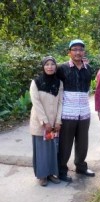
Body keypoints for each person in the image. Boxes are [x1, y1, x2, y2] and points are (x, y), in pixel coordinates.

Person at [56, 39, 95, 182]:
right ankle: (61, 170)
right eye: (75, 49)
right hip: (67, 112)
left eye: (81, 49)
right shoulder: (62, 68)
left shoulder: (89, 68)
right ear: (69, 52)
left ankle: (81, 166)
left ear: (84, 52)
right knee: (65, 142)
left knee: (83, 141)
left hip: (84, 111)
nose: (78, 52)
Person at [29, 56, 63, 186]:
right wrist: (45, 122)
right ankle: (42, 175)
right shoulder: (36, 82)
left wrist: (58, 121)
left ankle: (50, 173)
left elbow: (61, 102)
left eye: (52, 64)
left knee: (52, 148)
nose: (50, 67)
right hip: (40, 123)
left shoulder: (59, 83)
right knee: (42, 149)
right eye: (47, 64)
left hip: (54, 122)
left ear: (55, 66)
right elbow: (36, 103)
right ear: (43, 67)